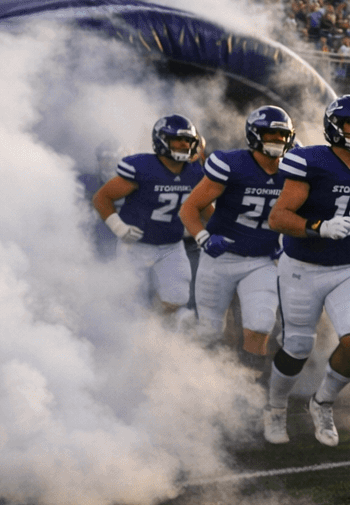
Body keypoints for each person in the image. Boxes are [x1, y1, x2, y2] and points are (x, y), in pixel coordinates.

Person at [264, 95, 350, 447]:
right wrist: (318, 226)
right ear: (334, 127)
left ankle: (322, 402)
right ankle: (275, 406)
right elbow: (278, 217)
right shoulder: (311, 161)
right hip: (302, 268)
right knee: (296, 347)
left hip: (349, 268)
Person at [179, 106, 295, 368]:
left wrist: (288, 243)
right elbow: (189, 208)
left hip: (261, 261)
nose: (277, 140)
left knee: (260, 324)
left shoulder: (293, 170)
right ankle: (202, 386)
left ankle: (248, 393)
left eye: (282, 135)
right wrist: (204, 238)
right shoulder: (232, 164)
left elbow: (301, 214)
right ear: (254, 135)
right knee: (209, 331)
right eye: (270, 134)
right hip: (220, 259)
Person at [91, 114, 205, 314]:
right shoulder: (142, 168)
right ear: (162, 141)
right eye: (177, 140)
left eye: (187, 140)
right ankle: (129, 334)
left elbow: (206, 206)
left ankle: (155, 330)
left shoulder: (194, 171)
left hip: (172, 244)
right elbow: (102, 198)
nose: (183, 145)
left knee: (178, 297)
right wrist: (119, 227)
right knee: (129, 303)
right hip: (136, 245)